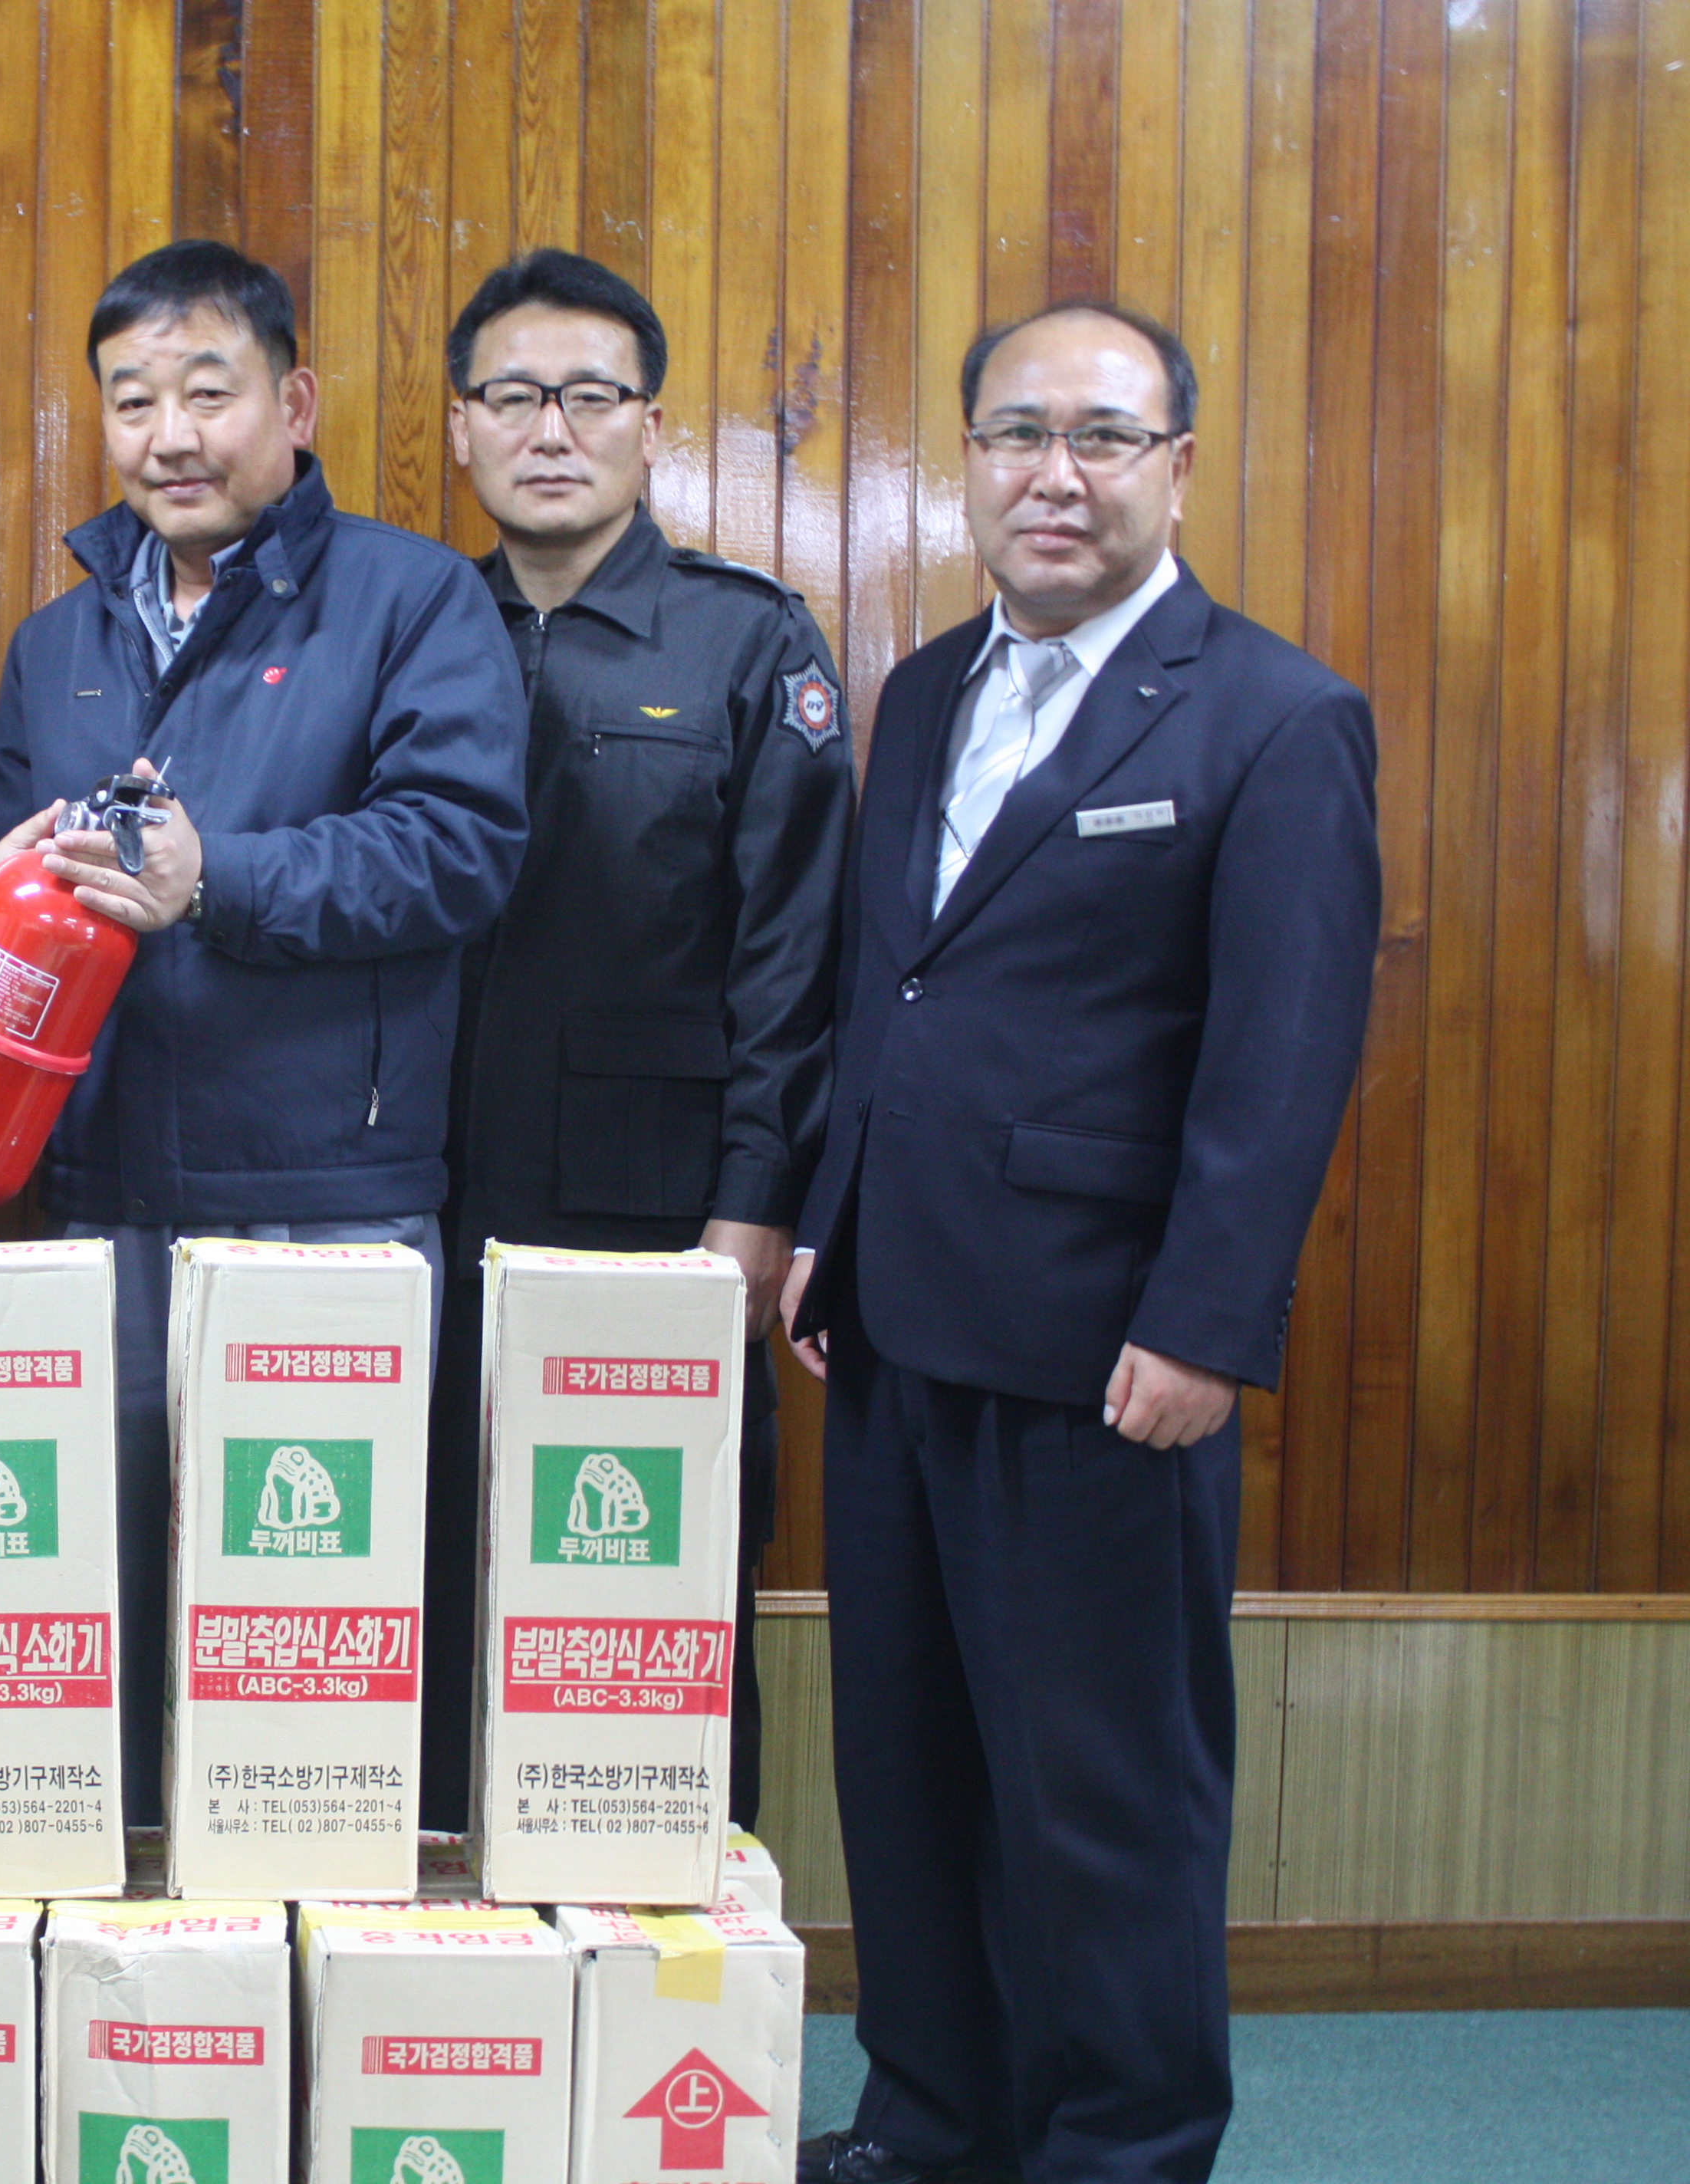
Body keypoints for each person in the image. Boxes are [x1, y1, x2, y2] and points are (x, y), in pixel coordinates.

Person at [781, 303, 1379, 2184]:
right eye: (1017, 433)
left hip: (1105, 1353)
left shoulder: (1273, 716)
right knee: (910, 1768)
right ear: (966, 462)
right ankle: (934, 2123)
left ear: (1177, 468)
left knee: (1102, 1799)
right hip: (895, 1323)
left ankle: (1121, 2146)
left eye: (1103, 437)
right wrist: (828, 1223)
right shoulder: (924, 690)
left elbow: (1282, 1056)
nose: (1057, 473)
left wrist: (1207, 1322)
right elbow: (890, 987)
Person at [0, 239, 529, 1816]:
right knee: (105, 1601)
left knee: (313, 1621)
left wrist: (218, 881)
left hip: (334, 1196)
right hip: (100, 1198)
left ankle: (317, 1921)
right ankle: (128, 1927)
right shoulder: (60, 643)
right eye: (133, 400)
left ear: (293, 404)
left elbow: (460, 849)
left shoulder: (413, 598)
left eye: (209, 392)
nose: (170, 436)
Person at [421, 249, 850, 1833]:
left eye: (591, 395)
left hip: (653, 1218)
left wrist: (756, 1206)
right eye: (514, 396)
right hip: (416, 1204)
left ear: (652, 425)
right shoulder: (409, 624)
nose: (552, 429)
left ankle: (670, 1947)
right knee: (423, 1590)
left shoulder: (746, 643)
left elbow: (797, 958)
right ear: (461, 425)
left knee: (644, 1615)